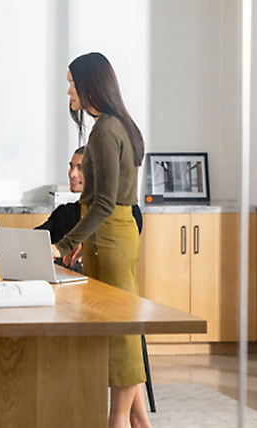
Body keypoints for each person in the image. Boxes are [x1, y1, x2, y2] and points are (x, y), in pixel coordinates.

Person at [52, 53, 152, 428]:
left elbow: (105, 202)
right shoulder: (110, 126)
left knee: (119, 328)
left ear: (90, 84)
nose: (69, 91)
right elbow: (94, 201)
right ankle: (140, 422)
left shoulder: (106, 130)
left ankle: (117, 422)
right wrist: (81, 237)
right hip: (107, 232)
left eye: (72, 83)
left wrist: (61, 244)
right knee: (119, 323)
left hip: (112, 233)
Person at [34, 146, 143, 272]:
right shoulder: (64, 213)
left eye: (80, 168)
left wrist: (89, 246)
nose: (72, 174)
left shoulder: (128, 212)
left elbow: (120, 250)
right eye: (71, 167)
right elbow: (35, 239)